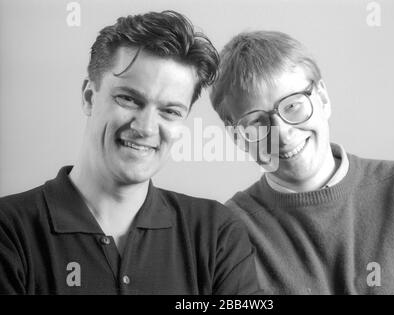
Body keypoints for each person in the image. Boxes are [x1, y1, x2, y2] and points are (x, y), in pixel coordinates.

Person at [0, 11, 261, 295]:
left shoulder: (215, 233)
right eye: (128, 99)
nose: (146, 127)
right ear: (89, 97)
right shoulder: (9, 230)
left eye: (170, 111)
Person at [209, 30, 394, 294]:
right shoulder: (227, 234)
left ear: (322, 98)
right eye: (257, 121)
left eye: (292, 105)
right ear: (238, 137)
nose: (283, 132)